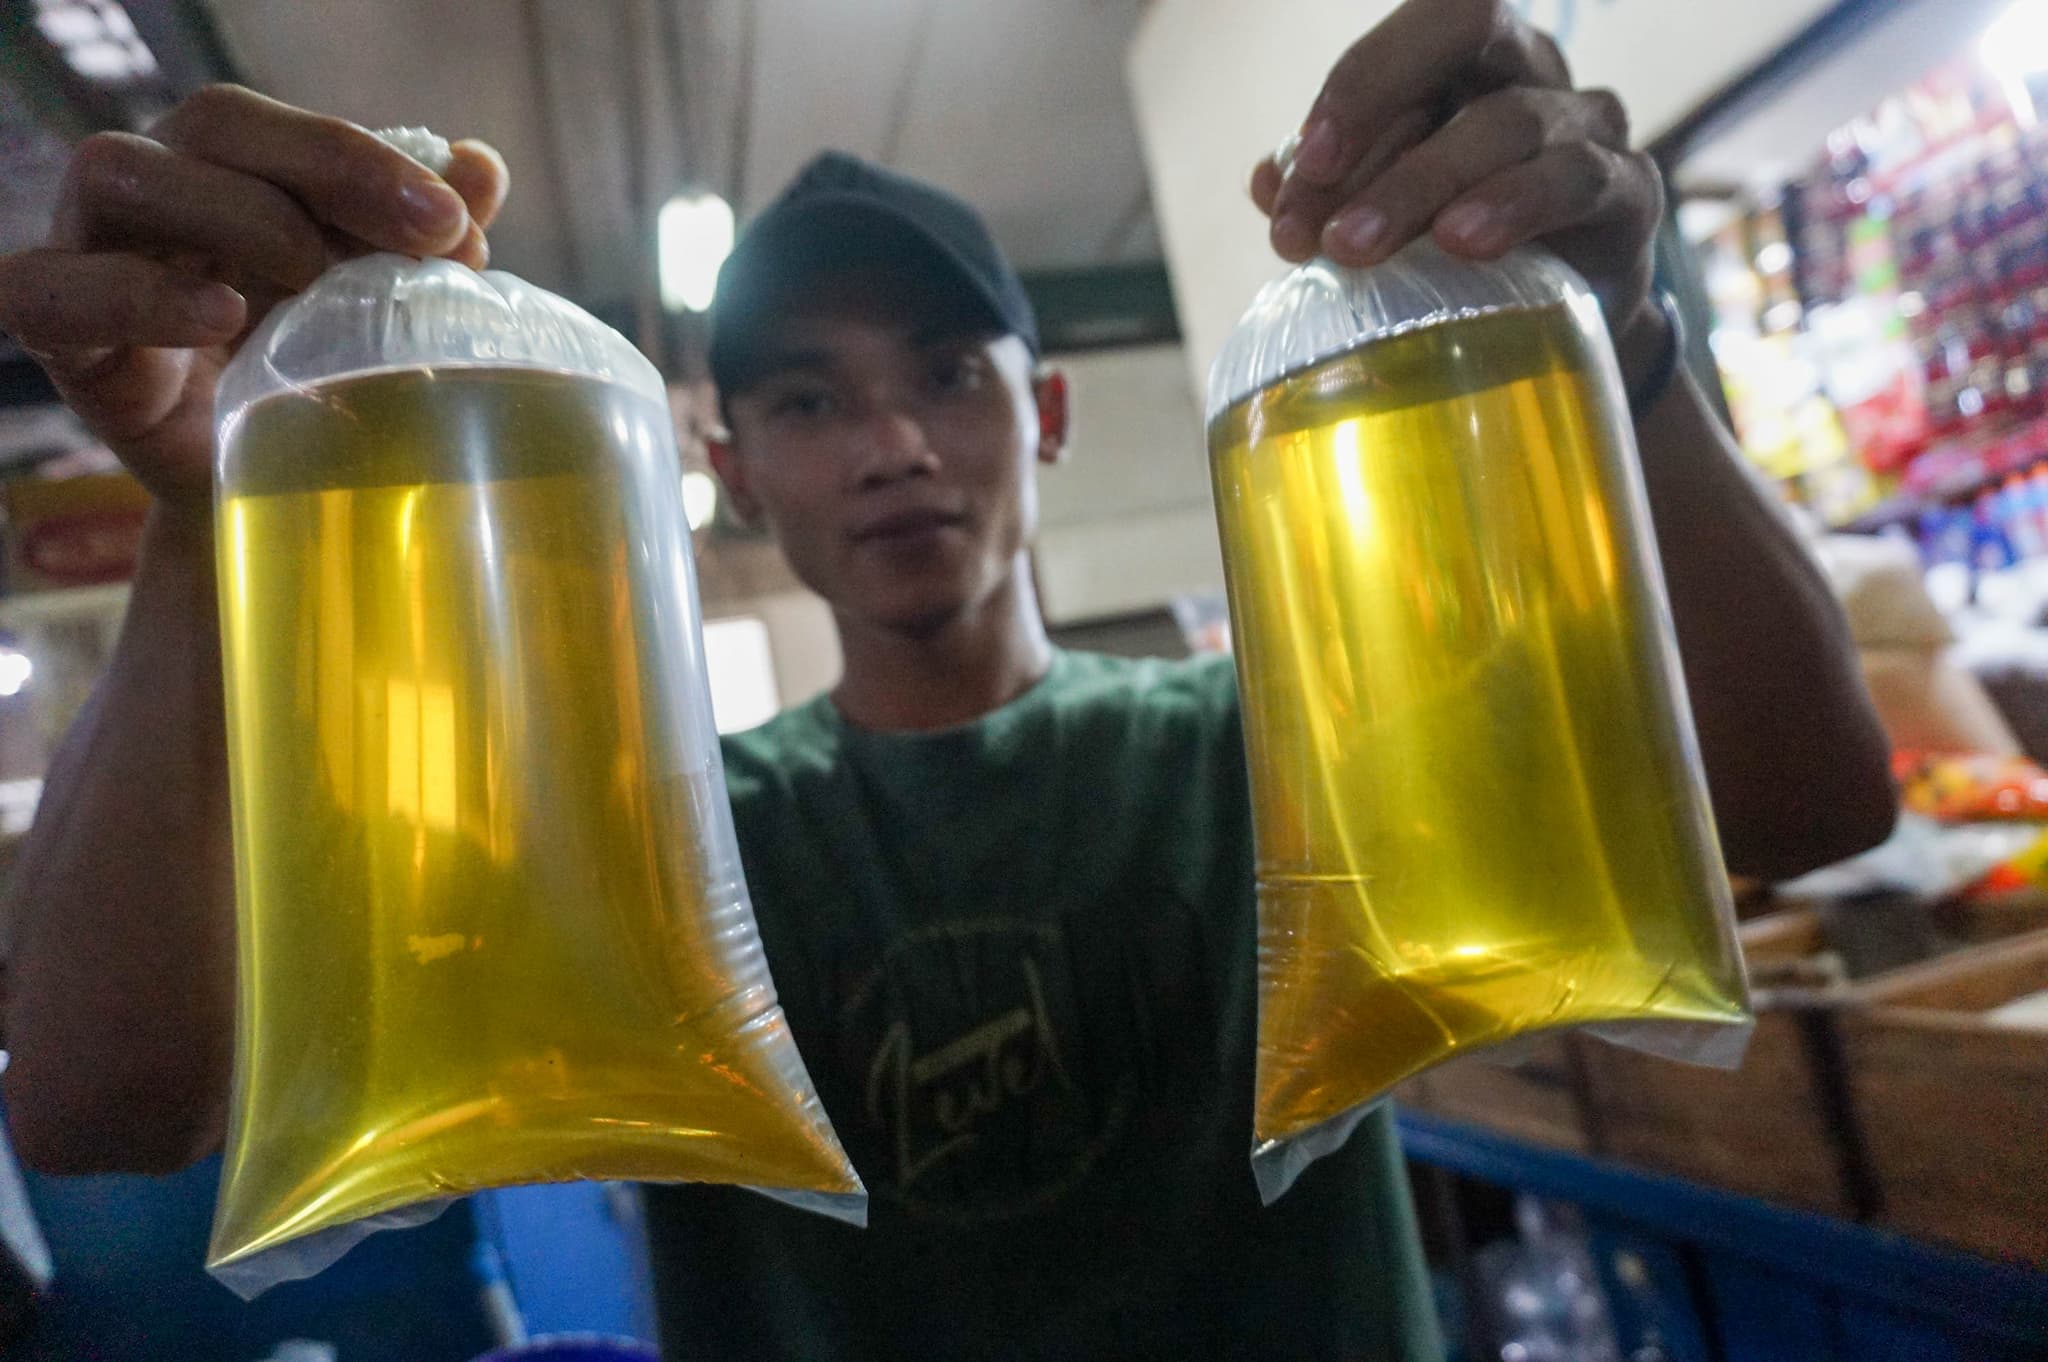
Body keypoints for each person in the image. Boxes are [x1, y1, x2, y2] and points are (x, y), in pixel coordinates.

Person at [0, 0, 1893, 1356]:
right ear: (728, 471)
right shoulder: (660, 850)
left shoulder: (1277, 750)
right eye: (808, 399)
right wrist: (201, 514)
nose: (890, 441)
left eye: (944, 372)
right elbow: (100, 1113)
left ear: (1045, 410)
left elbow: (1809, 808)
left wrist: (1616, 337)